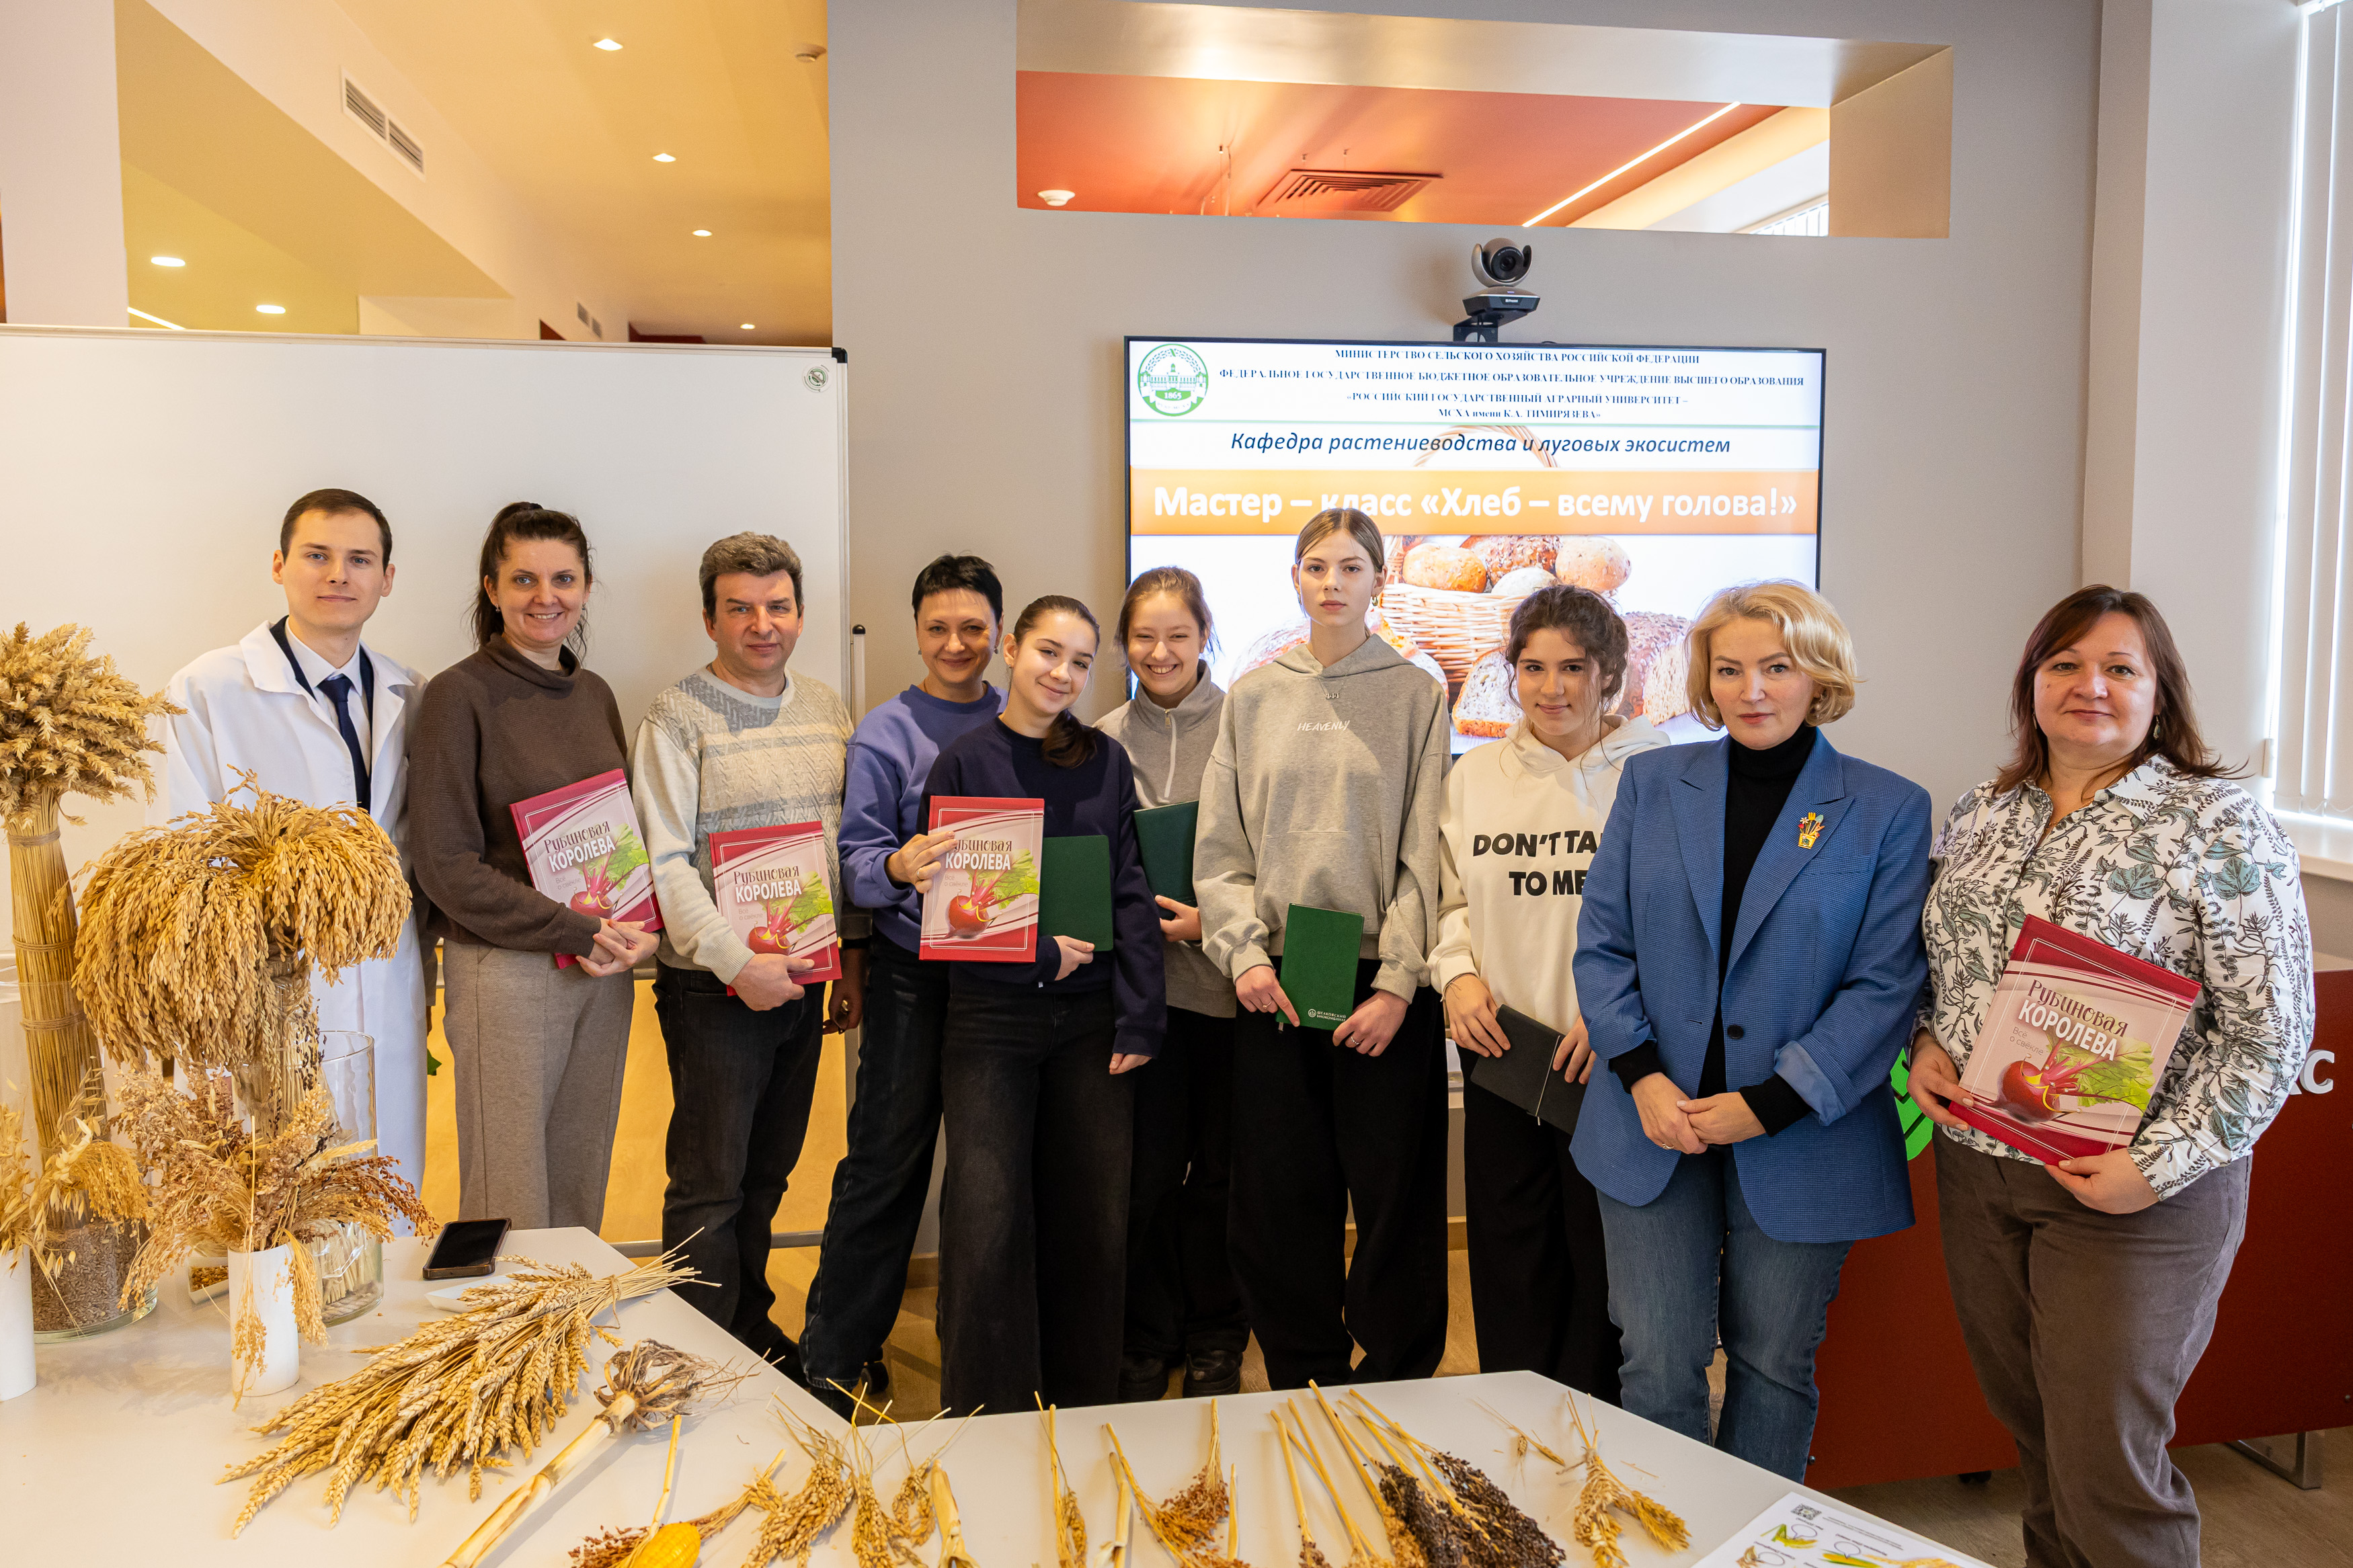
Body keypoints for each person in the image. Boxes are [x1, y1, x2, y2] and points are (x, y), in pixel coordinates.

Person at [1905, 586, 2312, 1568]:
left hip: (2131, 1188)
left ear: (2158, 693)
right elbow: (1946, 964)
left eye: (2119, 668)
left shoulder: (2217, 824)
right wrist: (1926, 1041)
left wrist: (2154, 1167)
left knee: (2107, 1462)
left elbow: (2271, 1032)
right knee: (2039, 1438)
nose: (2089, 685)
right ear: (2030, 684)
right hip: (1982, 1165)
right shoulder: (1982, 810)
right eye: (2065, 664)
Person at [1571, 579, 1929, 1481]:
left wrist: (1770, 1102)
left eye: (1776, 667)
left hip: (1800, 1130)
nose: (1751, 690)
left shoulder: (1887, 807)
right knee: (1656, 1360)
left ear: (1820, 675)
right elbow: (1602, 944)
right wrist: (1642, 1074)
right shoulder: (1653, 784)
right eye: (1728, 670)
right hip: (1652, 1121)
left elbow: (1884, 983)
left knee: (1773, 1363)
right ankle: (1675, 1532)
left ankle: (1755, 1538)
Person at [1194, 508, 1451, 1389]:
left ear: (1380, 579)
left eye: (1350, 566)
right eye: (1316, 566)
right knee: (1278, 1195)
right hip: (1276, 973)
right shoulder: (1254, 697)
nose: (1332, 582)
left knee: (1394, 1194)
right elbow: (1221, 849)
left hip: (1384, 980)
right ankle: (1303, 1373)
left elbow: (1426, 854)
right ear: (1294, 579)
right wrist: (1243, 955)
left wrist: (1401, 983)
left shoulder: (1417, 695)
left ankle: (1396, 1377)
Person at [900, 595, 1163, 1411]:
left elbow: (1129, 889)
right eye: (1048, 651)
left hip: (1092, 1021)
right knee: (985, 1223)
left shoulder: (1105, 759)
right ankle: (987, 1413)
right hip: (989, 1019)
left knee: (1092, 1219)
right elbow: (952, 916)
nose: (1062, 673)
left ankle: (1084, 1407)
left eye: (1080, 661)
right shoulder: (962, 764)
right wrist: (1038, 952)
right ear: (1011, 649)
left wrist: (1141, 1011)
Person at [630, 533, 868, 1372]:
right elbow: (663, 862)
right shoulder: (674, 717)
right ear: (710, 618)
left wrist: (845, 960)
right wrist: (737, 963)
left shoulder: (827, 708)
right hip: (714, 992)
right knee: (709, 1185)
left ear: (800, 614)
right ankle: (694, 1357)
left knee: (769, 1173)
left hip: (803, 981)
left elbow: (840, 848)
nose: (761, 624)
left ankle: (746, 1326)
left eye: (777, 606)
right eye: (740, 608)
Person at [160, 488, 430, 1204]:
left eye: (360, 560)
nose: (338, 574)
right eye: (317, 555)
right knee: (277, 1199)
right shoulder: (209, 689)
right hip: (267, 984)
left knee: (387, 1187)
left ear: (386, 579)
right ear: (280, 565)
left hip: (386, 982)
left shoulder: (407, 691)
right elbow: (179, 855)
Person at [1433, 585, 1666, 1399]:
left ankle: (1599, 1429)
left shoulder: (1657, 773)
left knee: (1601, 1261)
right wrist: (1457, 975)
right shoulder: (1473, 776)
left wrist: (1617, 1016)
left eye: (1573, 666)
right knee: (1510, 1255)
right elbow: (1449, 900)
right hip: (1504, 1052)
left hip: (1613, 1060)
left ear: (1609, 672)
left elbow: (1674, 921)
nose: (1551, 687)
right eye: (1532, 667)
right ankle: (1516, 1421)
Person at [408, 503, 660, 1230]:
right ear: (492, 588)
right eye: (523, 579)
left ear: (586, 587)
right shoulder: (458, 695)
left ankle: (570, 1308)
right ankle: (508, 1311)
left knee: (581, 1176)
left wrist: (636, 923)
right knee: (509, 1195)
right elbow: (445, 866)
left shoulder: (594, 694)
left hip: (600, 968)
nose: (545, 596)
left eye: (563, 579)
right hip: (508, 972)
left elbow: (618, 838)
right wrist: (579, 929)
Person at [799, 554, 1006, 1412]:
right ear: (916, 631)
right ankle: (834, 1353)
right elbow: (853, 861)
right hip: (911, 975)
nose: (956, 643)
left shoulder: (1023, 716)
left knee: (989, 1173)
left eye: (973, 627)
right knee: (885, 1162)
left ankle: (980, 1354)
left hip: (1004, 981)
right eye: (938, 628)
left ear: (999, 631)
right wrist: (897, 865)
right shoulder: (884, 731)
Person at [1097, 567, 1245, 1401]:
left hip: (1228, 995)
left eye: (1177, 635)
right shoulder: (1099, 736)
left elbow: (1272, 848)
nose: (1160, 652)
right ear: (1124, 643)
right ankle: (1145, 1334)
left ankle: (1217, 1334)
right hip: (1141, 1001)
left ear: (1204, 636)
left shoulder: (1246, 722)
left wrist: (1208, 922)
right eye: (1143, 636)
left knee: (1223, 1176)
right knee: (1145, 1179)